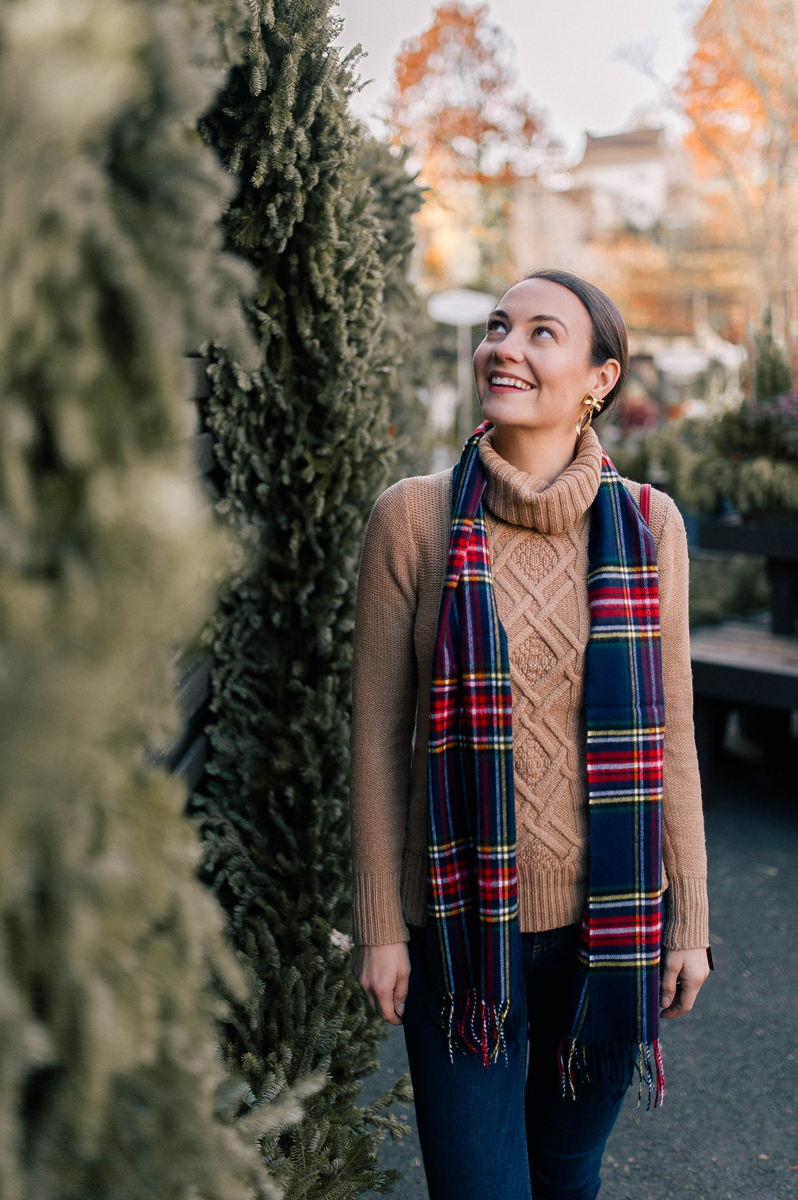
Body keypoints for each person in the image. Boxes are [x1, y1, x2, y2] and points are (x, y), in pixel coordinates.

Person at [349, 269, 711, 1200]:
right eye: (499, 326)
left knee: (564, 1169)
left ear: (600, 376)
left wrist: (691, 924)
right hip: (464, 934)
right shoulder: (414, 519)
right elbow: (381, 740)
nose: (505, 345)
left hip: (611, 927)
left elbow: (671, 734)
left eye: (542, 332)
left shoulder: (647, 523)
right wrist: (381, 924)